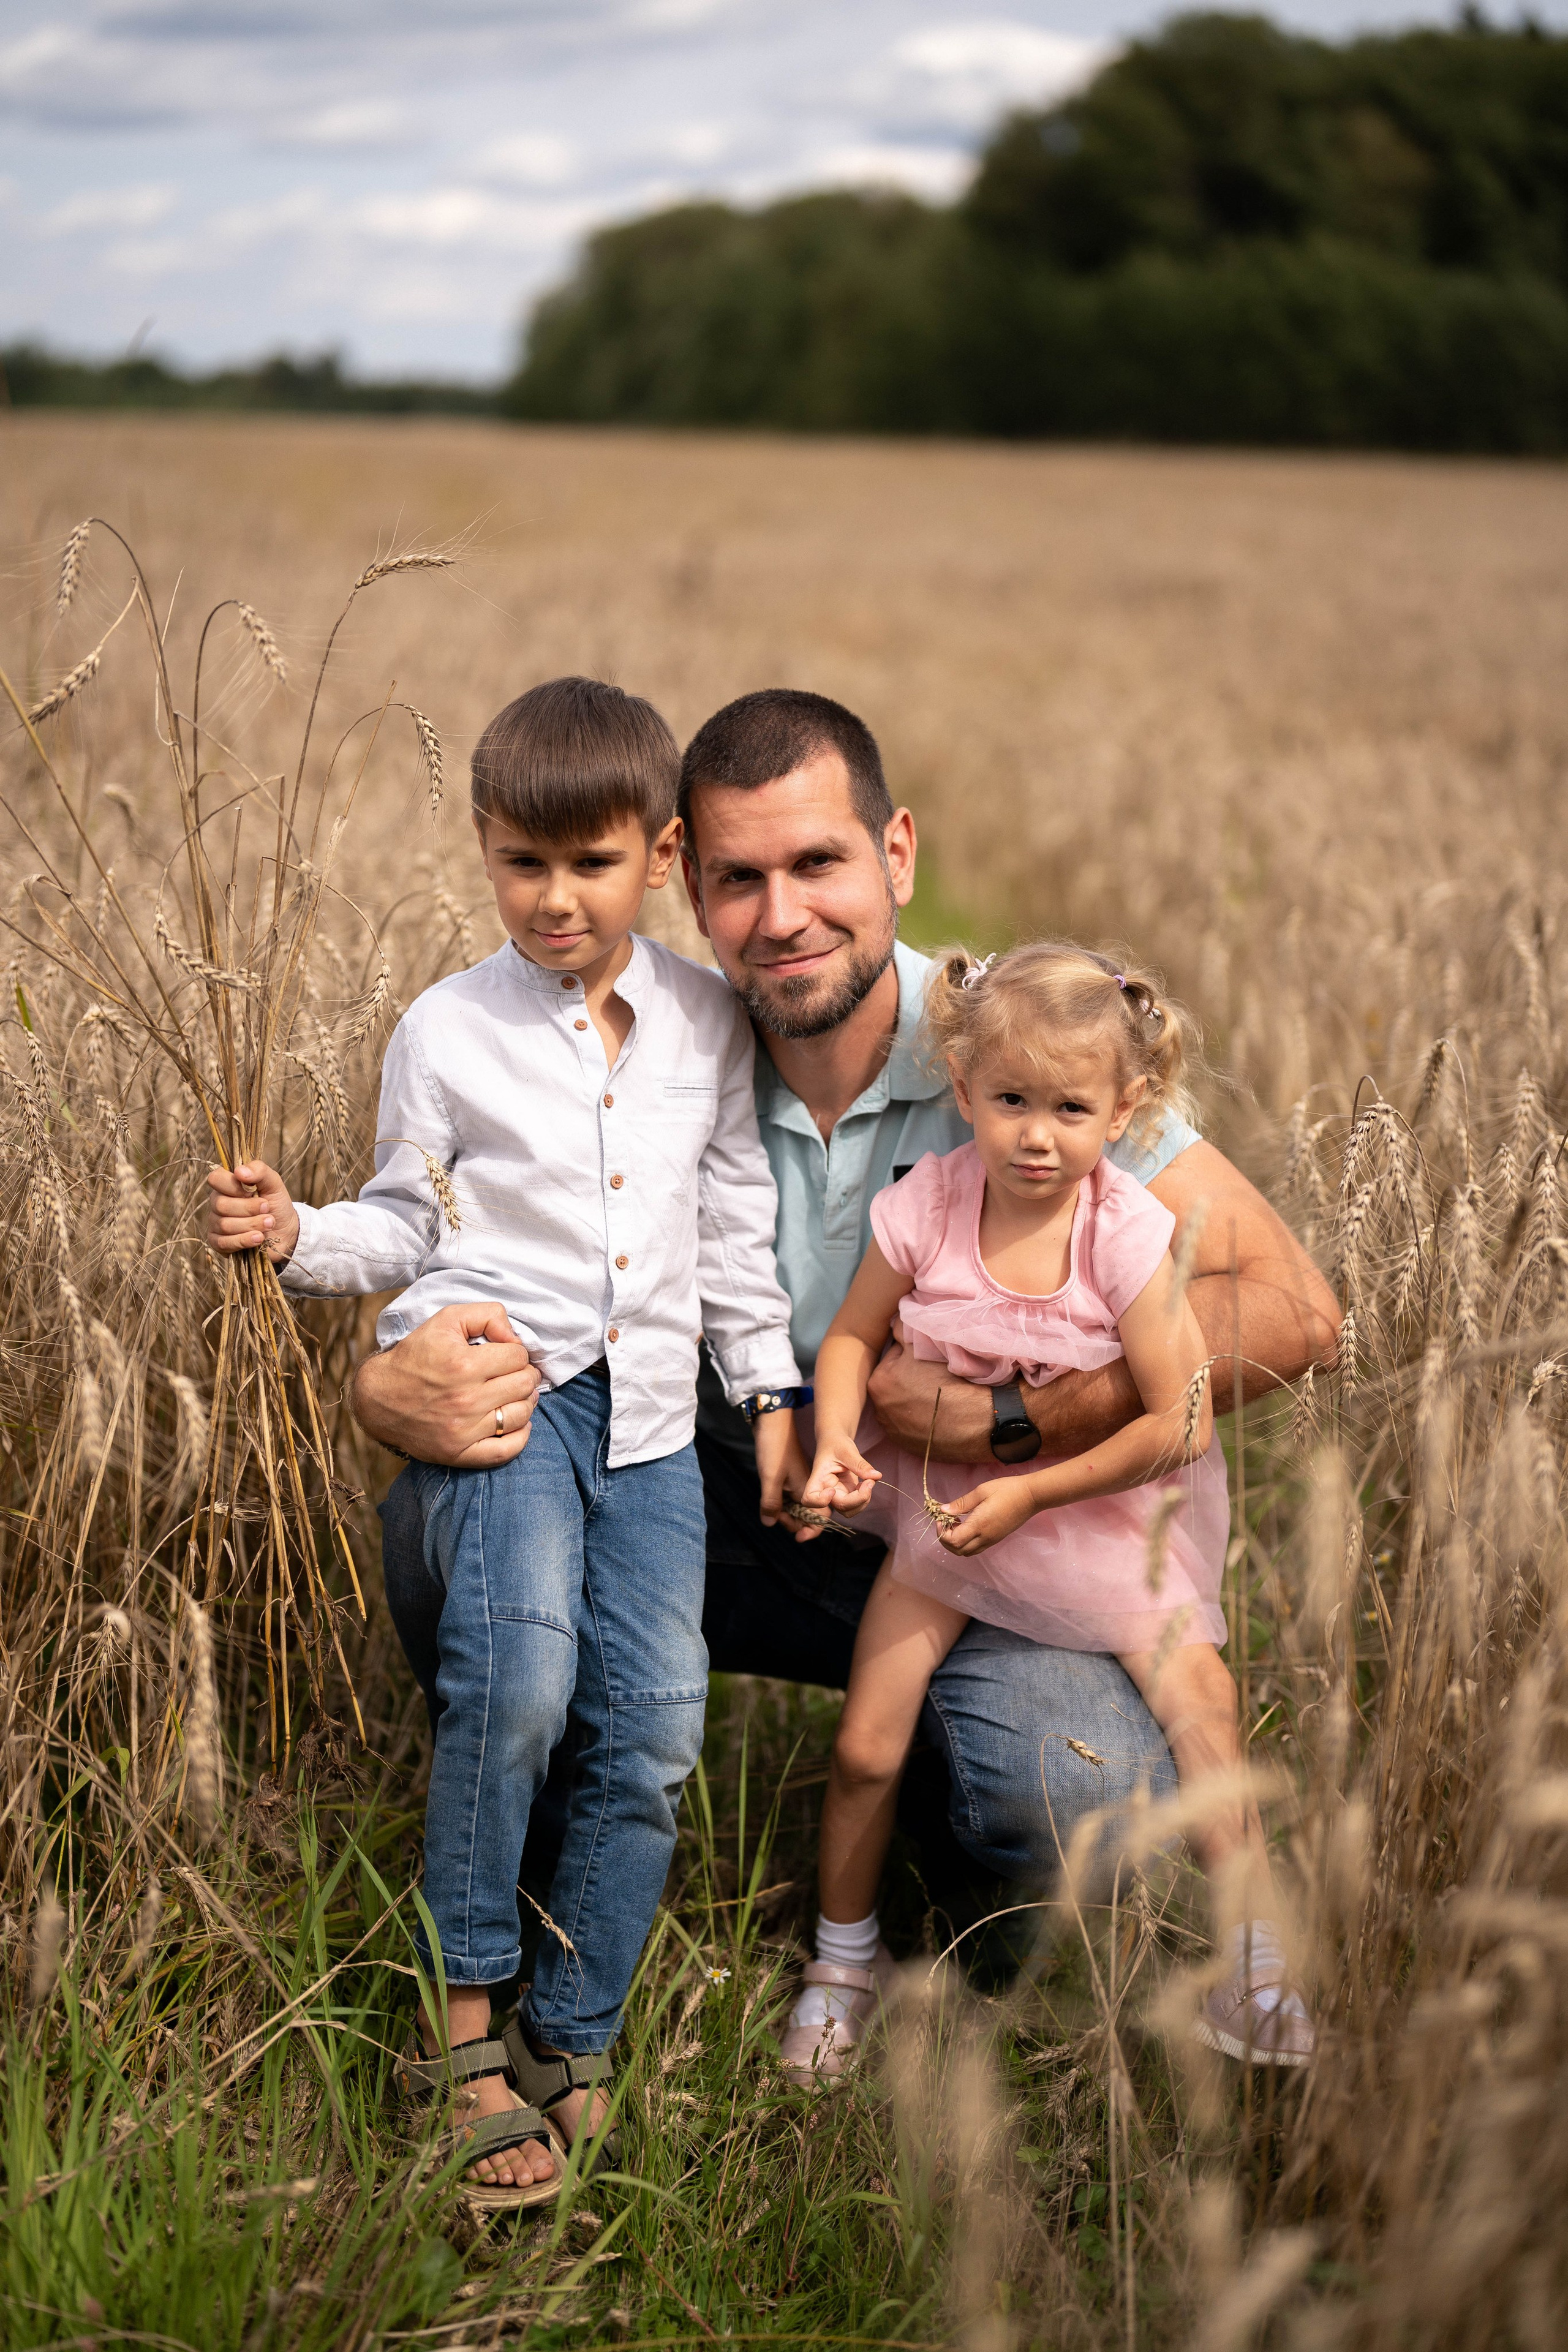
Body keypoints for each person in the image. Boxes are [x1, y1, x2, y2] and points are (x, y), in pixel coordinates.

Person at [355, 691, 1341, 2012]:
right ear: (682, 886)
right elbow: (461, 1266)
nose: (781, 918)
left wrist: (1017, 1416)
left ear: (897, 856)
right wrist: (387, 1381)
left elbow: (1290, 1306)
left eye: (818, 864)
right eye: (737, 880)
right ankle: (534, 1856)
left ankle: (952, 1853)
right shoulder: (657, 1046)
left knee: (1078, 1799)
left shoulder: (1013, 1048)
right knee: (465, 1498)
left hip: (988, 1540)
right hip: (732, 1497)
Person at [203, 678, 810, 2207]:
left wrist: (776, 1390)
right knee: (520, 1677)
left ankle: (576, 2023)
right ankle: (465, 2025)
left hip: (659, 1419)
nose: (553, 898)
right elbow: (408, 1222)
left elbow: (733, 1221)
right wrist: (296, 1233)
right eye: (519, 864)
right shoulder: (447, 1030)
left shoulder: (698, 1021)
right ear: (484, 851)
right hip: (509, 1398)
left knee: (658, 1722)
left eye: (590, 865)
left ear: (660, 854)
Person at [785, 941, 1313, 2081]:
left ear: (1126, 1110)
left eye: (1070, 1107)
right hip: (945, 1519)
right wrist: (833, 1439)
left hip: (1105, 1521)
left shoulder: (1124, 1237)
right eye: (1011, 1099)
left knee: (1201, 1709)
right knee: (867, 1744)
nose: (1036, 1133)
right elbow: (851, 1339)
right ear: (963, 1086)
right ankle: (842, 1958)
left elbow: (1179, 1420)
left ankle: (1260, 1966)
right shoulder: (929, 1205)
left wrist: (1031, 1485)